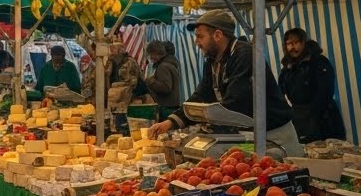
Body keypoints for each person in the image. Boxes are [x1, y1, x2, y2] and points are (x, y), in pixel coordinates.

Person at [148, 10, 299, 152]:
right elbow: (201, 96)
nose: (196, 42)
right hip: (251, 136)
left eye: (200, 36)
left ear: (218, 35)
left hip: (275, 136)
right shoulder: (212, 61)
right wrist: (170, 122)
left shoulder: (244, 55)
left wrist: (207, 126)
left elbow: (236, 102)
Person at [278, 27, 346, 142]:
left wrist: (311, 115)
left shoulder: (319, 62)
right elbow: (280, 93)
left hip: (324, 120)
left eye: (296, 43)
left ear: (304, 43)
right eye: (289, 44)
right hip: (300, 119)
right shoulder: (287, 68)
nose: (292, 47)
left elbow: (325, 92)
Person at [144, 40, 183, 119]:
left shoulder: (163, 67)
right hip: (171, 107)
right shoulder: (170, 64)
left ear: (156, 53)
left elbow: (166, 87)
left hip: (166, 108)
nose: (150, 57)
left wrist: (150, 81)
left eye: (151, 54)